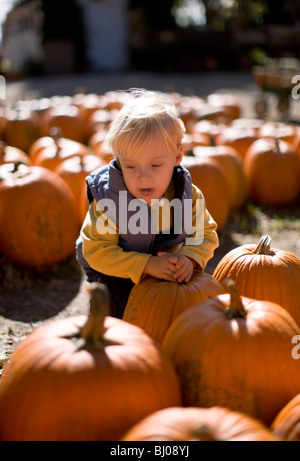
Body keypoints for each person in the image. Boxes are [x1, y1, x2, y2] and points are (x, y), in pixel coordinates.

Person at [76, 89, 219, 318]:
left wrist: (190, 258)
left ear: (177, 157)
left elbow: (205, 234)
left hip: (163, 262)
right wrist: (146, 265)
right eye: (131, 167)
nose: (143, 178)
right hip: (113, 267)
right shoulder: (110, 200)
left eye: (155, 166)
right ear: (119, 162)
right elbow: (97, 251)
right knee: (118, 313)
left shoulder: (187, 195)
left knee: (183, 309)